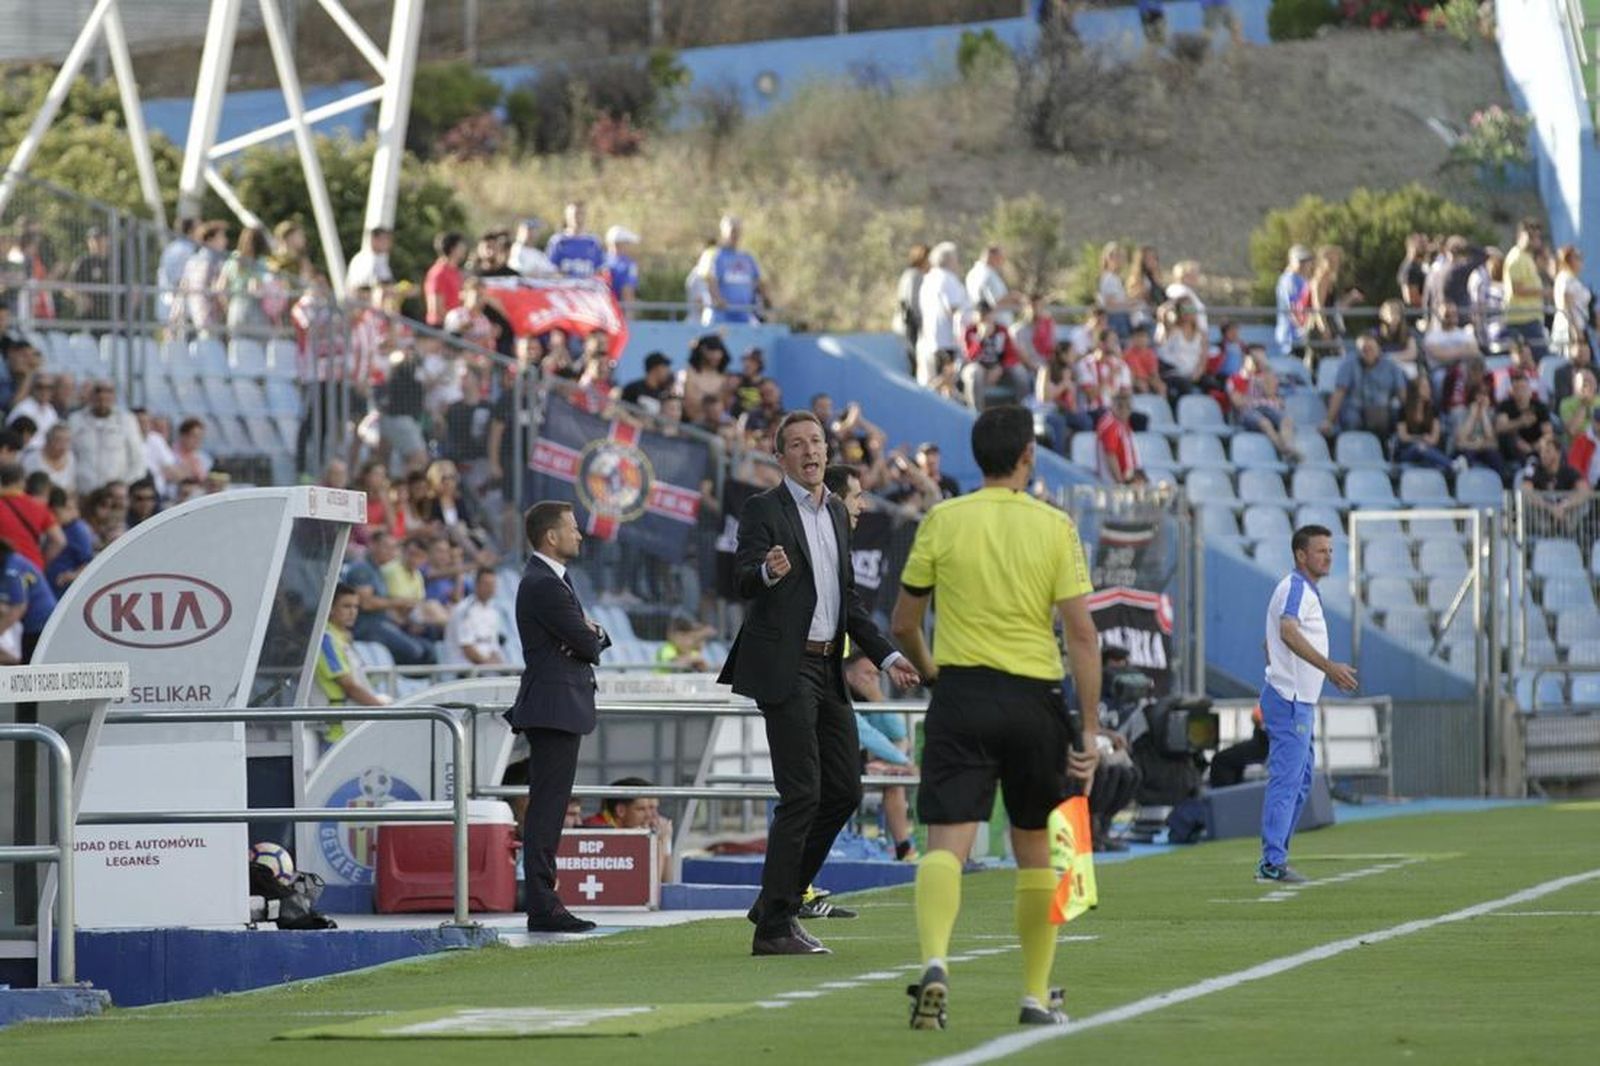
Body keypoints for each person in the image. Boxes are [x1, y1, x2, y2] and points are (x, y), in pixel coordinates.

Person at [890, 404, 1101, 1029]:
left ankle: (935, 961)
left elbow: (904, 623)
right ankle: (1036, 996)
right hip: (1035, 700)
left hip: (961, 692)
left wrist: (931, 672)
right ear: (1028, 456)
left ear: (972, 457)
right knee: (1037, 852)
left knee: (945, 844)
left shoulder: (943, 519)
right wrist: (1087, 729)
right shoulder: (1054, 525)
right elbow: (1083, 636)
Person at [717, 410, 918, 956]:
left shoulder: (834, 511)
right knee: (802, 792)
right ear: (779, 457)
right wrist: (766, 573)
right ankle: (774, 927)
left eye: (818, 443)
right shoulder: (762, 509)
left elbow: (848, 602)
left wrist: (889, 653)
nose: (811, 451)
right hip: (785, 667)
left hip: (830, 667)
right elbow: (739, 577)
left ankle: (775, 900)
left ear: (828, 453)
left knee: (846, 790)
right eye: (798, 445)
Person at [505, 501, 612, 934]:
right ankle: (543, 906)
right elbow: (587, 644)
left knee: (550, 807)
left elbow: (589, 637)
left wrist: (591, 635)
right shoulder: (544, 584)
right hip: (553, 706)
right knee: (547, 810)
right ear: (551, 536)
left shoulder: (552, 580)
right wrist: (589, 637)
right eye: (572, 528)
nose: (580, 535)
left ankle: (545, 902)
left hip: (558, 704)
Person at [1257, 525, 1358, 884]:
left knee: (1299, 783)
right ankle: (1272, 862)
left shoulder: (1301, 591)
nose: (1328, 556)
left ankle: (1275, 856)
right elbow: (1286, 630)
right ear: (1301, 555)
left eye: (1330, 550)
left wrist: (1277, 669)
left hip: (1297, 699)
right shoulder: (1296, 588)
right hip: (1291, 701)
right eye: (1321, 550)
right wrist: (1328, 668)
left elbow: (1270, 642)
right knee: (1287, 780)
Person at [582, 776, 674, 885]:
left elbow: (668, 882)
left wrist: (665, 842)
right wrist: (656, 841)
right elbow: (650, 888)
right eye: (642, 809)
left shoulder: (639, 832)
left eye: (653, 808)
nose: (651, 816)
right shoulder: (597, 830)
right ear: (621, 810)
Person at [314, 584, 390, 708]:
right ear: (330, 608)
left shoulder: (342, 637)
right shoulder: (325, 640)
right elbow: (350, 687)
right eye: (346, 606)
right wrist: (383, 710)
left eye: (356, 607)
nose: (352, 612)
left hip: (350, 720)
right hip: (335, 724)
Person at [1321, 333, 1406, 438]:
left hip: (1381, 411)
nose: (1367, 352)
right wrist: (1329, 421)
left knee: (1395, 414)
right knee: (1351, 417)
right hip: (1355, 410)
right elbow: (1339, 393)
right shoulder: (1348, 364)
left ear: (1378, 349)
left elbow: (1402, 394)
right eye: (1364, 349)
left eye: (1371, 349)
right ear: (1358, 351)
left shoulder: (1391, 367)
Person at [915, 242, 971, 389]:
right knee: (946, 378)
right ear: (949, 260)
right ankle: (924, 398)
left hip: (930, 339)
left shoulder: (928, 279)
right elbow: (954, 309)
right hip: (947, 340)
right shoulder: (948, 278)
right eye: (956, 258)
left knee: (940, 381)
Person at [705, 214, 768, 324]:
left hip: (744, 315)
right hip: (722, 316)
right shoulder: (716, 256)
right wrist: (718, 300)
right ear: (724, 233)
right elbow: (711, 281)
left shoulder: (747, 257)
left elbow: (758, 282)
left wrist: (766, 299)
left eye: (738, 231)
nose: (735, 235)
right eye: (732, 231)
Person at [0, 461, 63, 571]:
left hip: (5, 569)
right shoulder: (38, 507)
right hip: (32, 568)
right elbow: (59, 540)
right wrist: (44, 560)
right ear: (22, 482)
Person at [444, 567, 506, 667]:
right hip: (464, 670)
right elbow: (467, 649)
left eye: (492, 584)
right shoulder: (464, 610)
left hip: (485, 669)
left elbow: (494, 647)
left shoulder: (494, 611)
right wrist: (491, 667)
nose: (490, 588)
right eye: (486, 584)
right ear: (476, 585)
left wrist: (502, 668)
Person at [1209, 703, 1268, 788]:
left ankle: (1226, 794)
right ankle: (1234, 788)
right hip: (1263, 741)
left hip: (1265, 744)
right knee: (1231, 756)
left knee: (1220, 759)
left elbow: (1257, 716)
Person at [546, 201, 606, 279]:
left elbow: (600, 269)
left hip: (589, 288)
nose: (577, 218)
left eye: (581, 214)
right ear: (567, 216)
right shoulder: (558, 241)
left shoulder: (594, 241)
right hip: (565, 287)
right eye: (574, 214)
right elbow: (550, 269)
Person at [1274, 245, 1314, 358]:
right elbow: (1294, 308)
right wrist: (1303, 330)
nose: (1305, 264)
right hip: (1291, 338)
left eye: (1307, 260)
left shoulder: (1301, 279)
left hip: (1298, 337)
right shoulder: (1290, 280)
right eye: (1301, 261)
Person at [344, 227, 394, 292]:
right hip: (358, 301)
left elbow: (387, 282)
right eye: (386, 239)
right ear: (374, 240)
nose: (389, 243)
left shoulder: (380, 259)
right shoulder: (364, 259)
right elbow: (361, 288)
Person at [601, 225, 640, 305]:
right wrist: (629, 316)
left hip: (599, 309)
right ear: (620, 244)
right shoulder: (628, 265)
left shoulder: (599, 260)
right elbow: (628, 293)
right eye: (627, 243)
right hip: (616, 310)